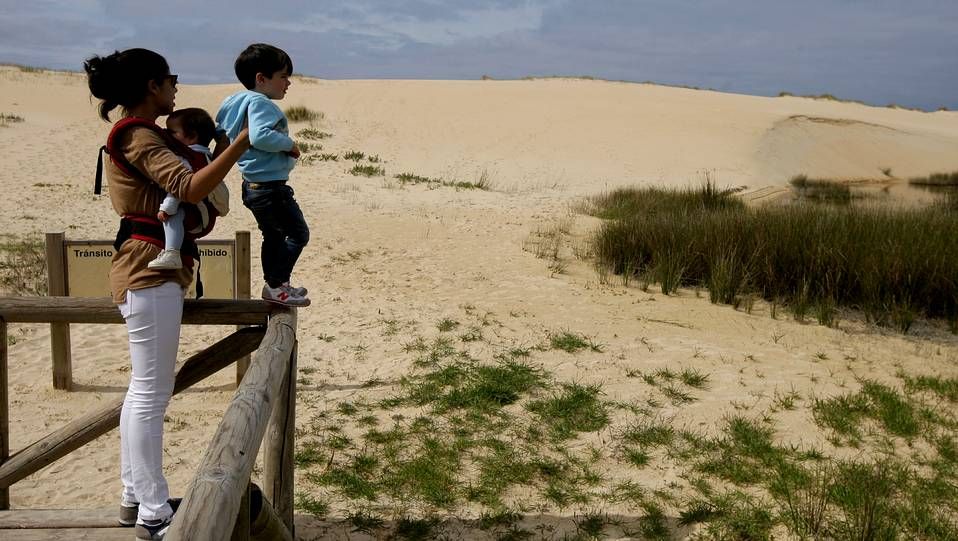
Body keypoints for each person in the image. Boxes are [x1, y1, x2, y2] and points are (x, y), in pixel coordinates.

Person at [84, 48, 250, 540]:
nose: (176, 87)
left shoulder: (141, 133)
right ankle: (154, 508)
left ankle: (134, 496)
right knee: (150, 394)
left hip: (146, 267)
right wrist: (239, 144)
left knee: (144, 391)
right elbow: (189, 186)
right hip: (147, 268)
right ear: (152, 85)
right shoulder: (137, 134)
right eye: (171, 79)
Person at [216, 43, 310, 307]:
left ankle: (277, 285)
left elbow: (221, 128)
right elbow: (259, 136)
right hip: (270, 188)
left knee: (274, 235)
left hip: (254, 186)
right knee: (299, 234)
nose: (288, 83)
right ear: (261, 78)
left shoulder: (235, 102)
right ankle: (276, 285)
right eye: (283, 76)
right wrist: (288, 144)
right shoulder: (260, 102)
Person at [148, 107, 228, 270]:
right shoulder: (205, 155)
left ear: (191, 136)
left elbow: (180, 186)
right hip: (205, 214)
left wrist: (167, 208)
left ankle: (172, 252)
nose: (167, 135)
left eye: (172, 132)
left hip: (193, 215)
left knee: (174, 215)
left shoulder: (186, 157)